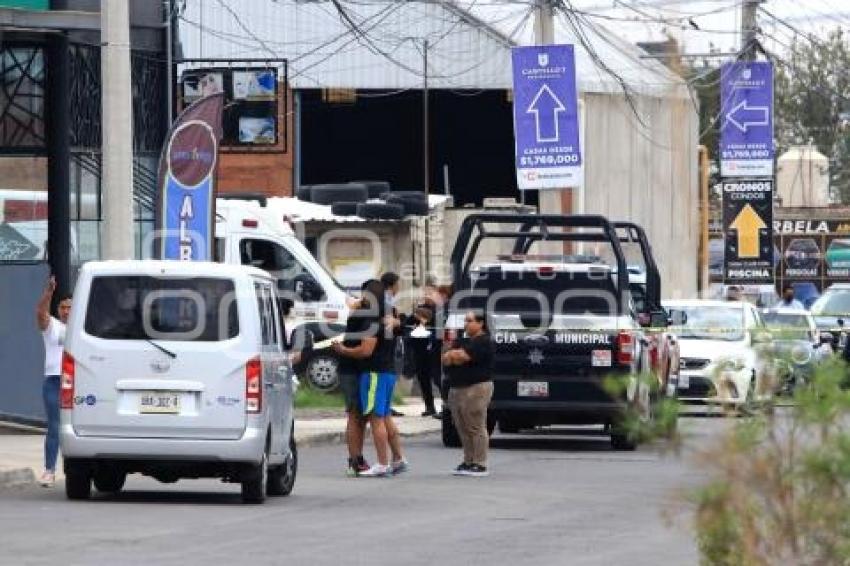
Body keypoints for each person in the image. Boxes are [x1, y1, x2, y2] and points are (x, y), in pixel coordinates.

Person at [333, 279, 407, 477]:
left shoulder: (373, 315)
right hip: (365, 369)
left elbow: (366, 350)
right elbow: (404, 325)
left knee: (373, 417)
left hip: (369, 368)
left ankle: (383, 462)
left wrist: (342, 350)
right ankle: (361, 460)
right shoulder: (384, 313)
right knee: (363, 415)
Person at [442, 311, 493, 477]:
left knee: (475, 426)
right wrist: (453, 355)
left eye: (470, 321)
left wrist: (456, 355)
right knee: (461, 427)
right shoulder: (462, 340)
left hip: (476, 387)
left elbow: (463, 356)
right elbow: (445, 358)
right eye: (465, 320)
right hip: (457, 387)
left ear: (481, 323)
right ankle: (468, 460)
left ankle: (480, 463)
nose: (466, 324)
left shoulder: (483, 341)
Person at [35, 275, 71, 488]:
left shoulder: (83, 329)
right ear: (58, 310)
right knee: (55, 426)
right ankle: (49, 470)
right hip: (54, 381)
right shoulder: (53, 328)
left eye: (70, 307)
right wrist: (48, 293)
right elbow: (41, 314)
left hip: (76, 382)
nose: (66, 311)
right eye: (63, 307)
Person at [380, 272, 405, 418]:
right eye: (398, 284)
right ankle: (386, 406)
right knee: (389, 373)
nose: (399, 287)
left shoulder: (387, 300)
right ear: (393, 285)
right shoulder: (386, 300)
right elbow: (389, 322)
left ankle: (387, 405)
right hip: (389, 343)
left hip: (391, 341)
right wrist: (399, 321)